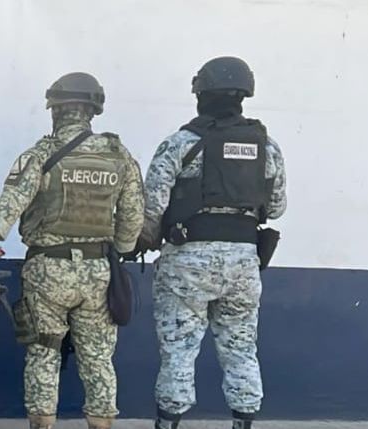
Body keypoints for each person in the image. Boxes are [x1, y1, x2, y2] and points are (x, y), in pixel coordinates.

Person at [0, 73, 144, 429]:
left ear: (55, 110)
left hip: (48, 270)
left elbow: (11, 204)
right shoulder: (119, 155)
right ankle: (102, 424)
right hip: (98, 271)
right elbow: (133, 217)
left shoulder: (42, 154)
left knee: (44, 352)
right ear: (93, 111)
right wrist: (118, 250)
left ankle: (42, 424)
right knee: (98, 358)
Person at [140, 57, 287, 429]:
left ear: (201, 94)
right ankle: (243, 422)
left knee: (178, 352)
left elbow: (152, 206)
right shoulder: (267, 148)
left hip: (186, 263)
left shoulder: (181, 144)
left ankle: (169, 423)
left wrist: (142, 239)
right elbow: (276, 207)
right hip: (243, 264)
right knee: (241, 350)